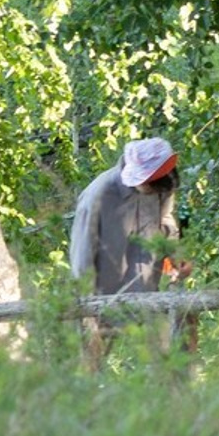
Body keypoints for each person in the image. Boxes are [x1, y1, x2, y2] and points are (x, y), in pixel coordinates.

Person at [69, 136, 189, 359]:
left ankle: (170, 393)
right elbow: (81, 255)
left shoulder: (163, 185)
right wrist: (86, 305)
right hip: (103, 299)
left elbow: (166, 221)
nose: (158, 193)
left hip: (148, 291)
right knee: (90, 368)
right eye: (150, 187)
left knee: (168, 360)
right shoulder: (98, 195)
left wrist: (175, 257)